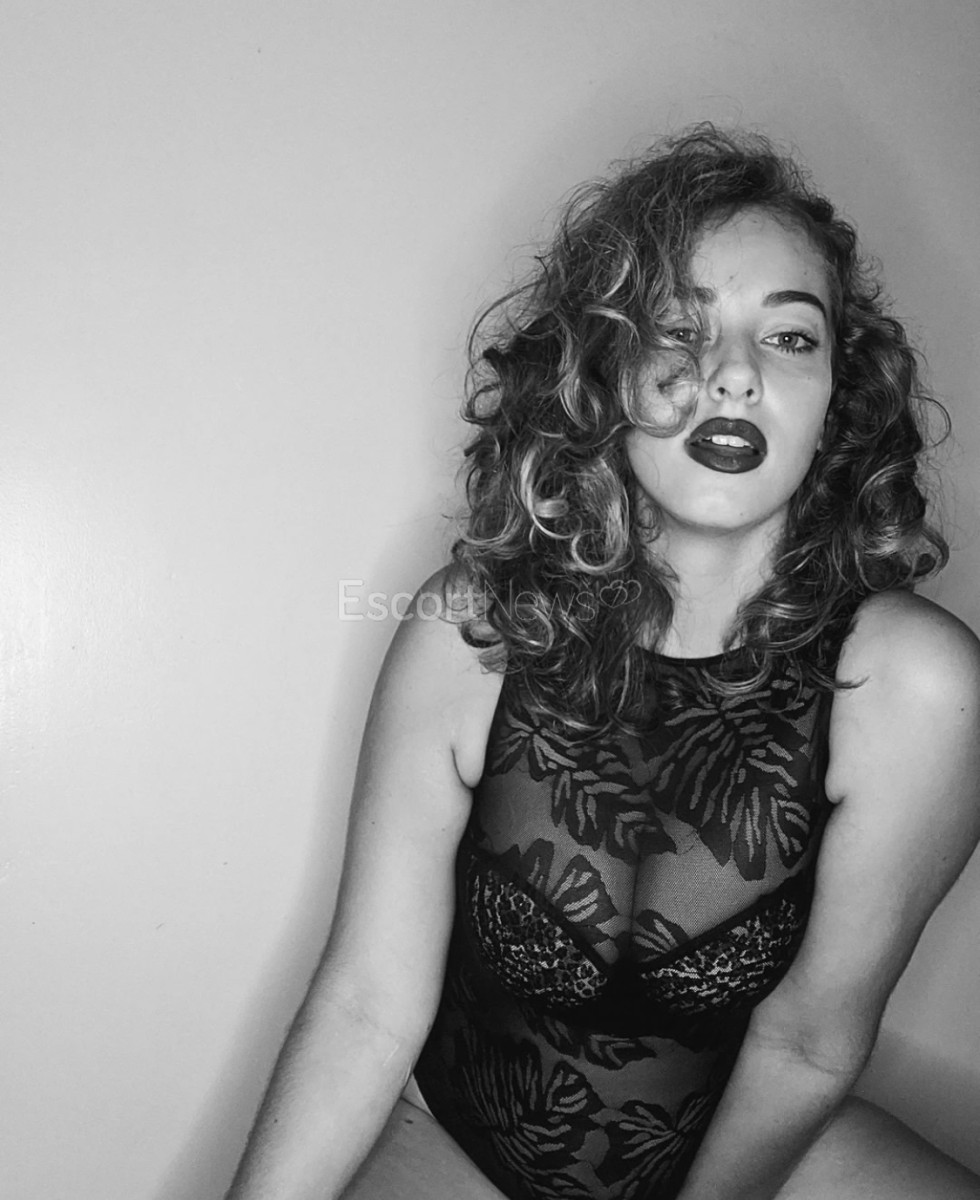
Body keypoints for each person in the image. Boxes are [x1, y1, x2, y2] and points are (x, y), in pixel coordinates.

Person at [225, 127, 980, 1200]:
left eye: (789, 337)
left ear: (835, 397)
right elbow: (366, 1004)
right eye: (679, 328)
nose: (733, 374)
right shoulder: (472, 629)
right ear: (600, 371)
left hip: (747, 1158)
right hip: (456, 1148)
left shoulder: (917, 689)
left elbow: (810, 1044)